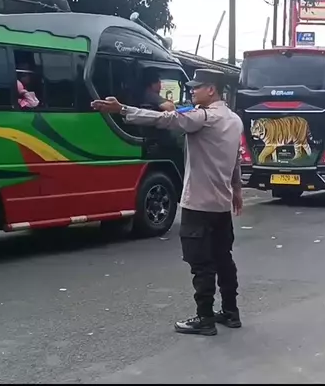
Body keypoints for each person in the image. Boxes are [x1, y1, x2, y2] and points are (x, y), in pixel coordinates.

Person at [91, 69, 244, 336]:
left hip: (198, 204)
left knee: (201, 264)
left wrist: (122, 109)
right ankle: (231, 313)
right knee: (223, 259)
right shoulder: (234, 120)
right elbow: (235, 161)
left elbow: (164, 119)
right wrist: (237, 190)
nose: (192, 91)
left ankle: (204, 318)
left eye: (197, 88)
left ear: (212, 90)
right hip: (221, 205)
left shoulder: (203, 117)